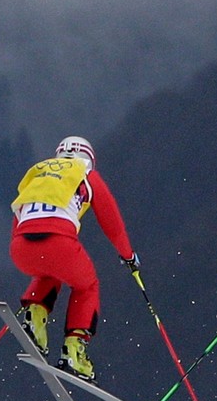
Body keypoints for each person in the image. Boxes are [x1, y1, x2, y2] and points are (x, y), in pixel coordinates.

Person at [9, 135, 139, 382]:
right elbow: (112, 223)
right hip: (60, 244)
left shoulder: (38, 174)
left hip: (21, 248)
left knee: (49, 271)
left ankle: (35, 316)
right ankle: (74, 349)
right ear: (89, 158)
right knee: (87, 285)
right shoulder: (86, 174)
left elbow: (19, 217)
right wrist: (128, 256)